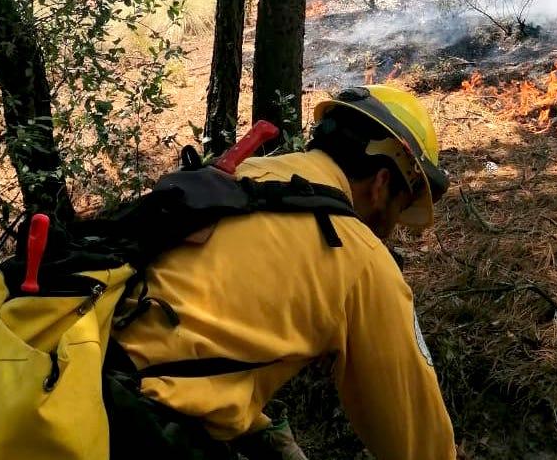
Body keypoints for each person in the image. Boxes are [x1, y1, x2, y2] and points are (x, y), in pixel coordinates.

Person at [113, 84, 456, 460]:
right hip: (139, 430)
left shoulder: (239, 176)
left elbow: (201, 329)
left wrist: (258, 433)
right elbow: (418, 443)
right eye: (400, 208)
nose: (391, 228)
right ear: (382, 184)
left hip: (83, 383)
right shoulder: (363, 257)